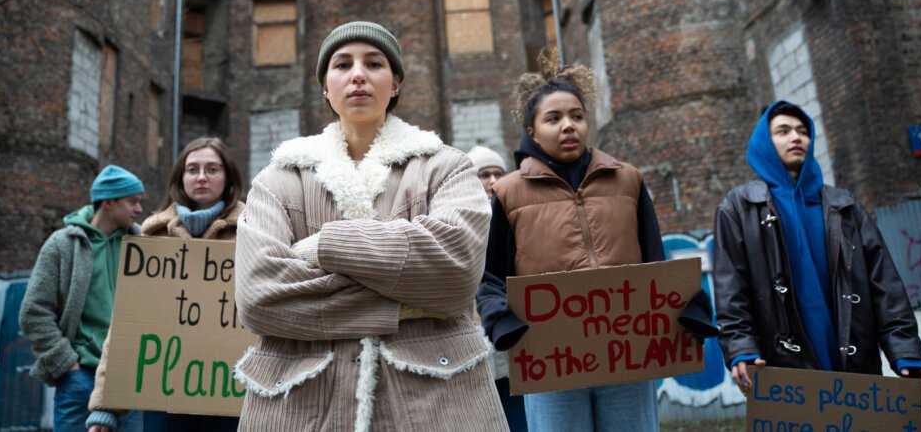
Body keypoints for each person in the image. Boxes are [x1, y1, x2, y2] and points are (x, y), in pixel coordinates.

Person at [234, 21, 508, 431]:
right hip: (302, 402)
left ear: (395, 83)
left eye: (374, 63)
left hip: (438, 401)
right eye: (342, 64)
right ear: (326, 88)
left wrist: (325, 245)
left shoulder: (446, 166)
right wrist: (411, 301)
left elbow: (456, 276)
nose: (358, 74)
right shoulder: (277, 180)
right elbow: (258, 297)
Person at [476, 51, 666, 432]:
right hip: (550, 365)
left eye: (576, 116)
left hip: (627, 359)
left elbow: (659, 267)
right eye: (554, 118)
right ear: (531, 130)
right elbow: (489, 277)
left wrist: (684, 310)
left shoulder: (629, 180)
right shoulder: (509, 193)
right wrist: (502, 323)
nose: (568, 126)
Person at [714, 100, 921, 393]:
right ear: (765, 141)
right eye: (783, 131)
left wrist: (905, 349)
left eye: (803, 131)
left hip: (854, 360)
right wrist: (740, 347)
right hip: (783, 368)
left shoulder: (845, 206)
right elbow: (730, 287)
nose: (796, 137)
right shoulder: (739, 208)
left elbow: (885, 284)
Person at [86, 137, 246, 432]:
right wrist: (105, 408)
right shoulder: (153, 237)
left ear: (228, 177)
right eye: (192, 169)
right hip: (164, 397)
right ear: (180, 177)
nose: (201, 177)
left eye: (212, 169)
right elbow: (127, 326)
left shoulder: (254, 232)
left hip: (232, 394)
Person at [19, 166, 145, 432]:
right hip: (81, 377)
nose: (139, 209)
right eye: (132, 201)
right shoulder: (62, 244)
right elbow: (34, 311)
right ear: (109, 202)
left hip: (129, 379)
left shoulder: (144, 244)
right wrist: (67, 364)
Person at [468, 145, 529, 432]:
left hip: (515, 338)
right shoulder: (460, 226)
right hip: (475, 341)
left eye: (498, 173)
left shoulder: (518, 223)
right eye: (484, 174)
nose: (493, 181)